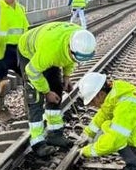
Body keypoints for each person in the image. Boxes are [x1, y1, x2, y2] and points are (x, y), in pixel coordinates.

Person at [18, 22, 96, 158]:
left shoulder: (79, 37)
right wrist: (46, 92)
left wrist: (66, 76)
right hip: (29, 52)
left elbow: (70, 59)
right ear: (69, 48)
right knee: (35, 96)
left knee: (57, 87)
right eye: (75, 57)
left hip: (49, 44)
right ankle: (37, 143)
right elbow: (32, 71)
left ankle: (54, 135)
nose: (75, 60)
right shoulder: (51, 51)